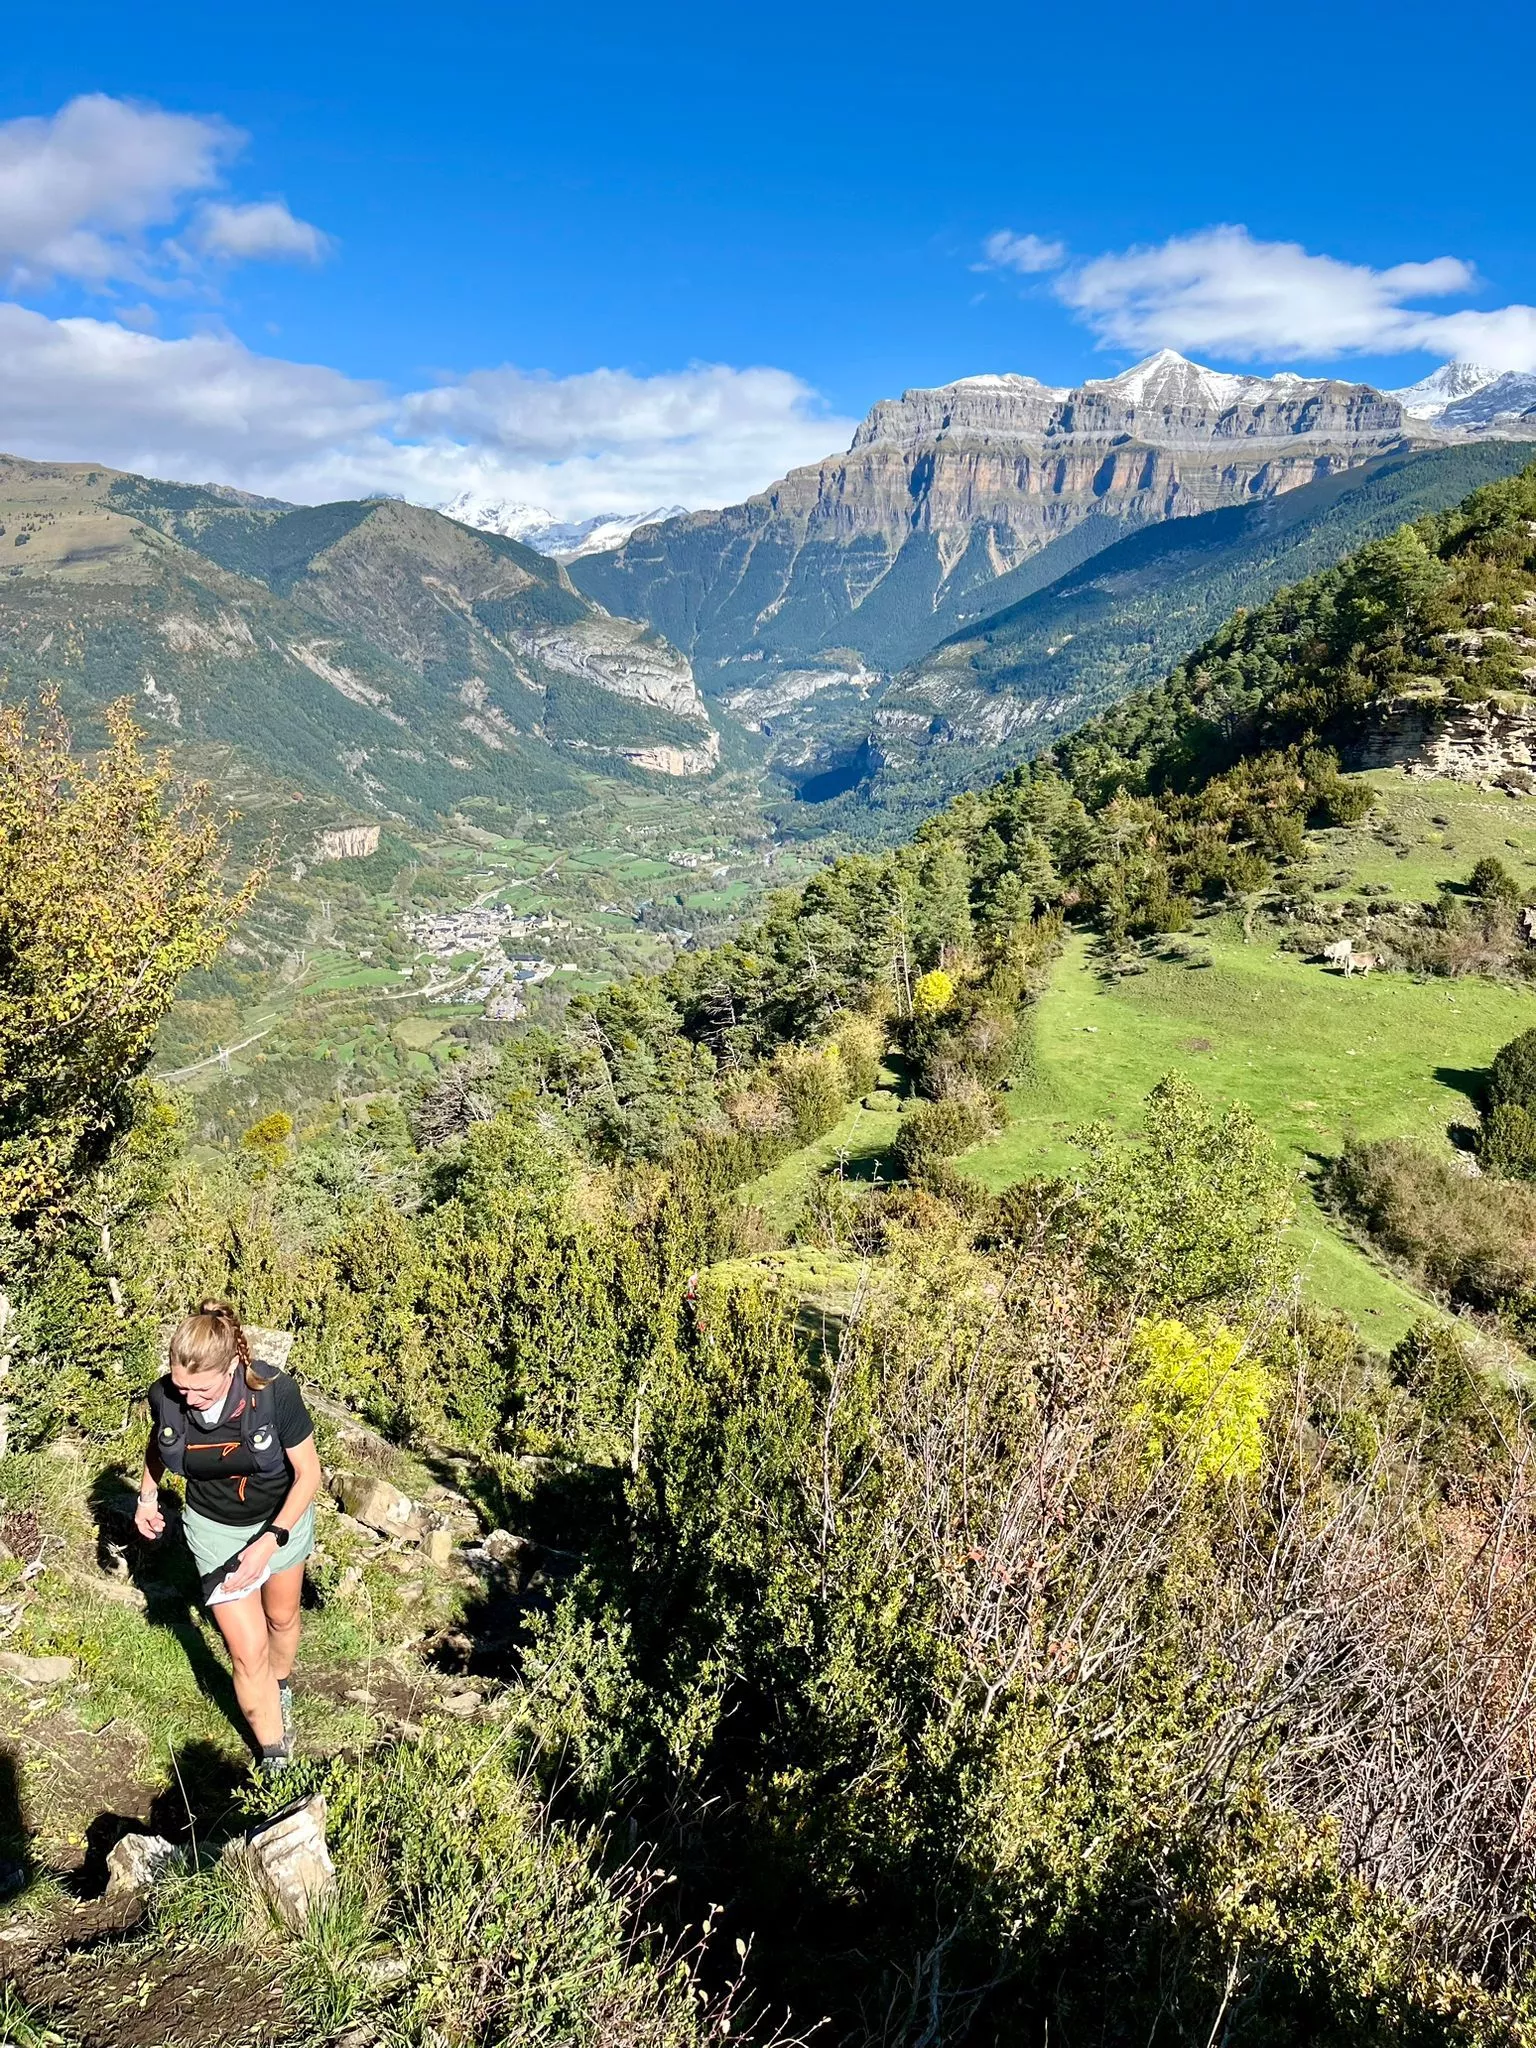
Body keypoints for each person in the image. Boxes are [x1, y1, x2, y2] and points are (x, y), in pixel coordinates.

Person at [134, 1301, 322, 1774]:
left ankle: (280, 1688)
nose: (189, 1398)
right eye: (181, 1387)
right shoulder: (166, 1397)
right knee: (247, 1649)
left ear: (233, 1366)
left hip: (281, 1519)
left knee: (281, 1618)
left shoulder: (275, 1392)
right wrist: (147, 1498)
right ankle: (276, 1753)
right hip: (214, 1530)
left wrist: (270, 1541)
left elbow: (309, 1476)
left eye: (201, 1389)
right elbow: (160, 1445)